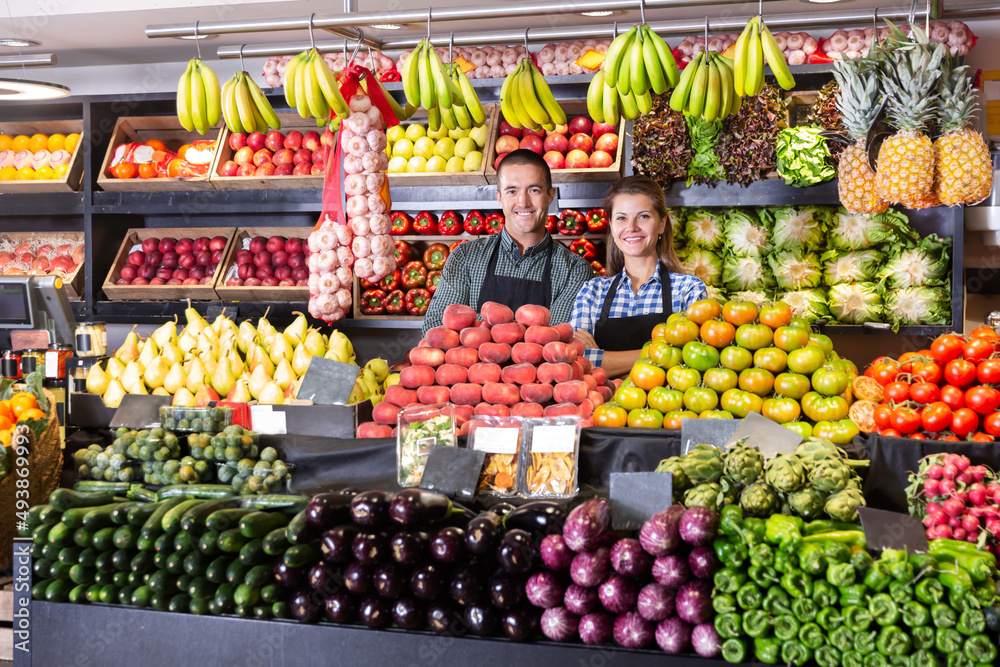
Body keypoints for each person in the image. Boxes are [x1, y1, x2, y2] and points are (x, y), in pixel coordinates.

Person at [422, 149, 593, 335]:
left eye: (534, 190)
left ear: (550, 196)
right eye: (512, 191)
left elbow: (556, 342)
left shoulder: (574, 271)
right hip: (472, 365)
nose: (523, 202)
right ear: (499, 198)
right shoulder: (465, 257)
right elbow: (436, 332)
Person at [570, 176, 707, 378]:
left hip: (669, 408)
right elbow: (578, 362)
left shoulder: (689, 289)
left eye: (643, 216)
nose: (631, 227)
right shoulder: (592, 291)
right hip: (603, 408)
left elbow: (696, 360)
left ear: (661, 224)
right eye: (621, 218)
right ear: (611, 226)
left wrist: (603, 358)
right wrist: (666, 353)